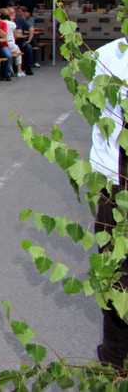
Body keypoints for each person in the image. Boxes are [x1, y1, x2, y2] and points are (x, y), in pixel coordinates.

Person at [89, 37, 128, 367]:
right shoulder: (108, 56)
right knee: (115, 273)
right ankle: (115, 361)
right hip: (115, 181)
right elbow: (95, 108)